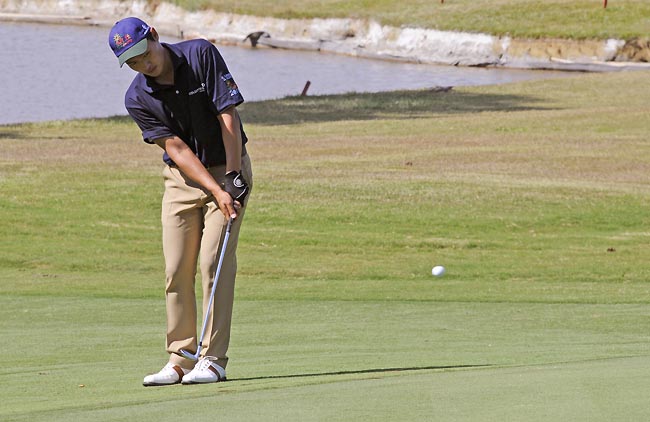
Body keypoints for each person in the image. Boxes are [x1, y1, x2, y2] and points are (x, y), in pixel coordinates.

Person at [108, 17, 252, 386]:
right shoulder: (137, 97)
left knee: (212, 264)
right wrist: (213, 190)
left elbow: (227, 115)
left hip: (227, 166)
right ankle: (180, 358)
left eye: (144, 54)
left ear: (154, 36)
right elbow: (176, 148)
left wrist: (231, 179)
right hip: (181, 180)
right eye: (134, 62)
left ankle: (213, 360)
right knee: (176, 269)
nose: (144, 65)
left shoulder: (200, 54)